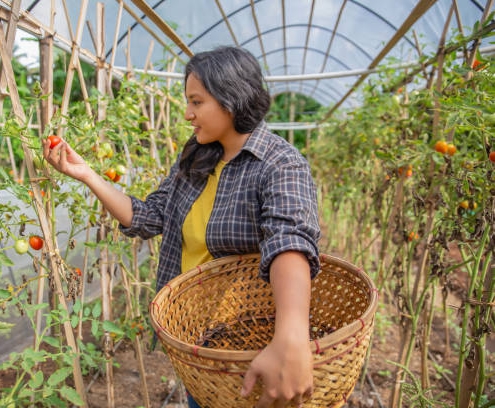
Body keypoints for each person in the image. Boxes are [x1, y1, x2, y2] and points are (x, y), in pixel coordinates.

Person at [43, 46, 320, 408]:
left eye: (196, 102)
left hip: (245, 344)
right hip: (194, 341)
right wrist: (86, 175)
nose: (188, 114)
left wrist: (292, 337)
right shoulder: (197, 156)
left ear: (231, 99)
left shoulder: (279, 163)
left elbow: (290, 243)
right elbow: (147, 216)